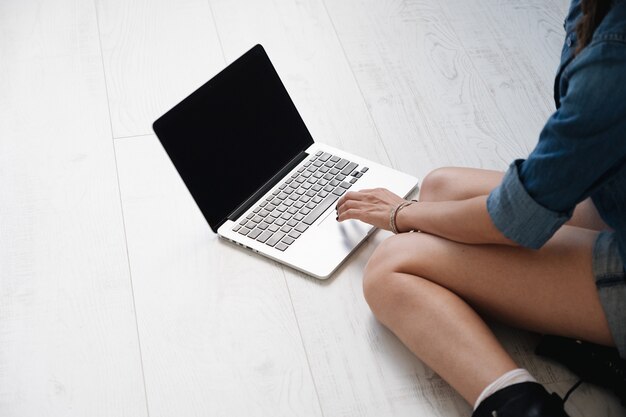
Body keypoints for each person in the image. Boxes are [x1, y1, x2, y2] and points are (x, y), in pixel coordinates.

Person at [335, 0, 626, 415]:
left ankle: (523, 409)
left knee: (390, 266)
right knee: (441, 186)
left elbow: (514, 219)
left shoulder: (614, 60)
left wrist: (403, 215)